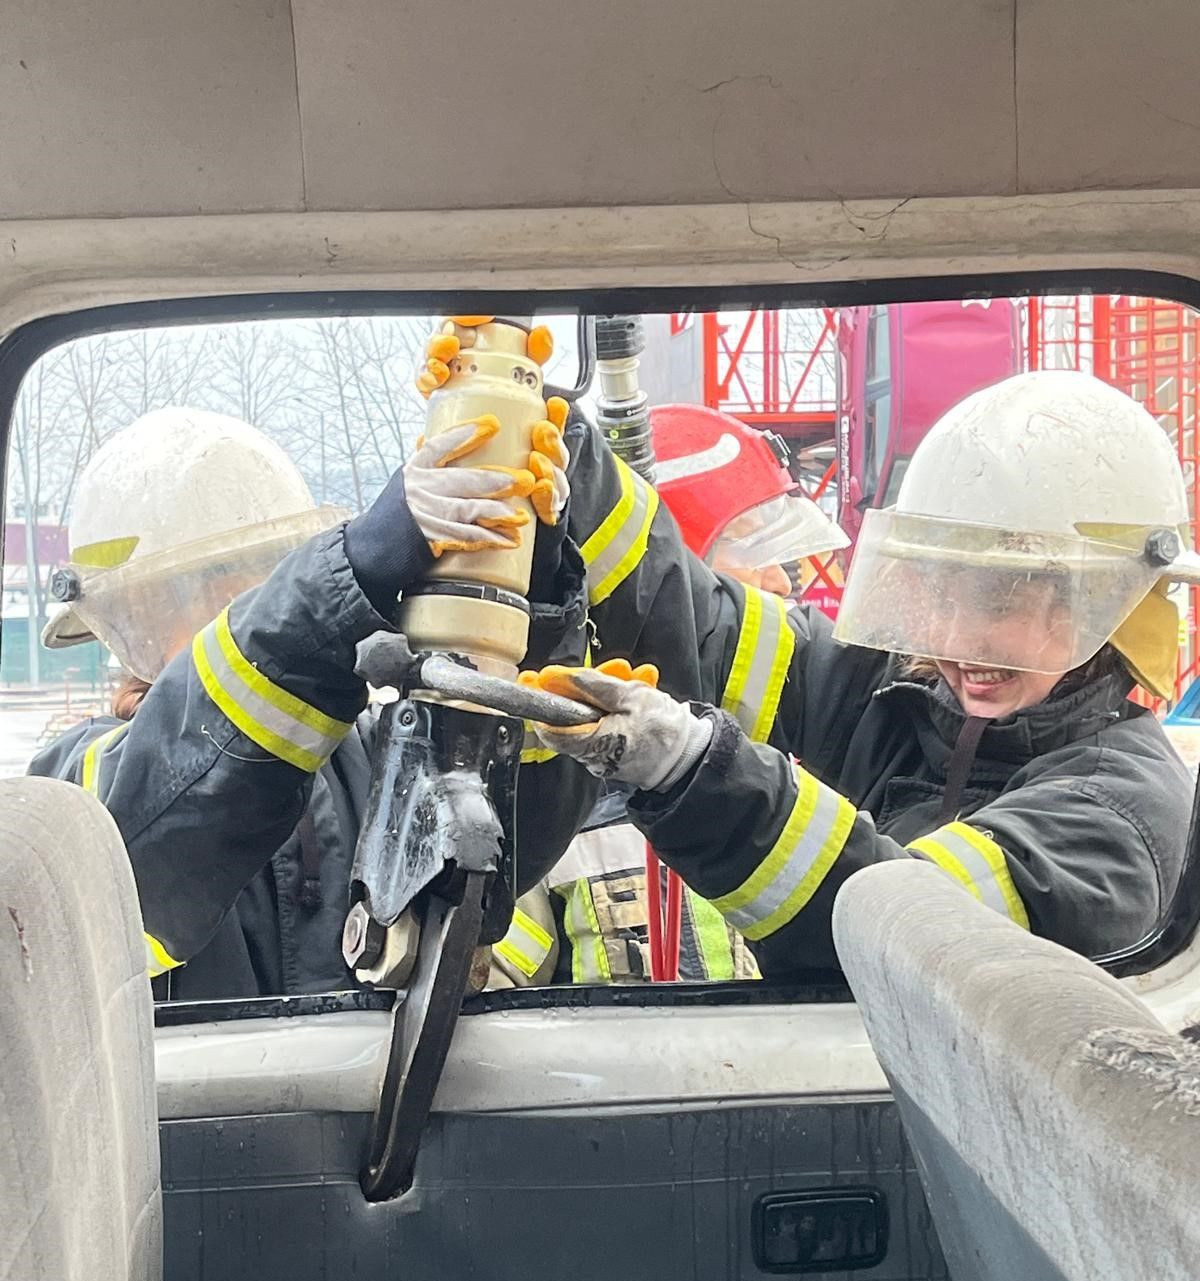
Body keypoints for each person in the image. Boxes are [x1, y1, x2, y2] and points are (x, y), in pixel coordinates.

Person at [31, 318, 789, 998]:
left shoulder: (367, 756)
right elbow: (173, 810)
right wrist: (347, 578)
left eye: (251, 582)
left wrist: (536, 587)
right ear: (127, 624)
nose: (227, 613)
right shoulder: (76, 789)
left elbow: (511, 842)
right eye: (201, 595)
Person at [529, 370, 1195, 972]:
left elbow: (898, 932)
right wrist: (555, 438)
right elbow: (695, 624)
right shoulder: (911, 699)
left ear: (1111, 606)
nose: (956, 641)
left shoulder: (1119, 817)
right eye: (941, 595)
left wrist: (694, 772)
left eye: (999, 599)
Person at [490, 404, 848, 987]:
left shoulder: (814, 765)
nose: (782, 582)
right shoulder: (552, 797)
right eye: (755, 554)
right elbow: (491, 989)